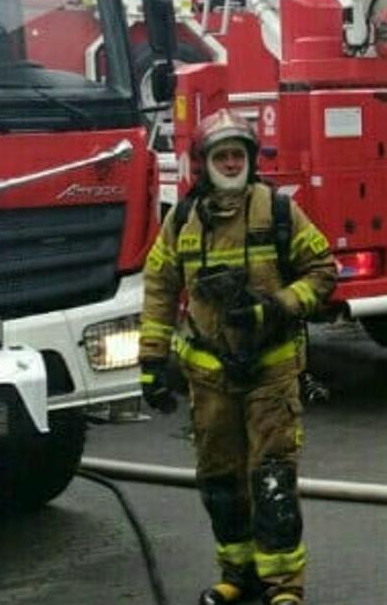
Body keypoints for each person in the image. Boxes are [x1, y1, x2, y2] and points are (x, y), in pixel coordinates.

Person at [139, 109, 337, 605]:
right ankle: (238, 575)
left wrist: (276, 307)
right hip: (207, 380)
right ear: (202, 164)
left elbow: (323, 273)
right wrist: (151, 361)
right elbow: (159, 288)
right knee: (220, 482)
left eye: (238, 154)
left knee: (271, 480)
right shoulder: (181, 221)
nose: (230, 162)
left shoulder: (278, 212)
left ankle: (283, 587)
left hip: (271, 372)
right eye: (220, 155)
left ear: (250, 159)